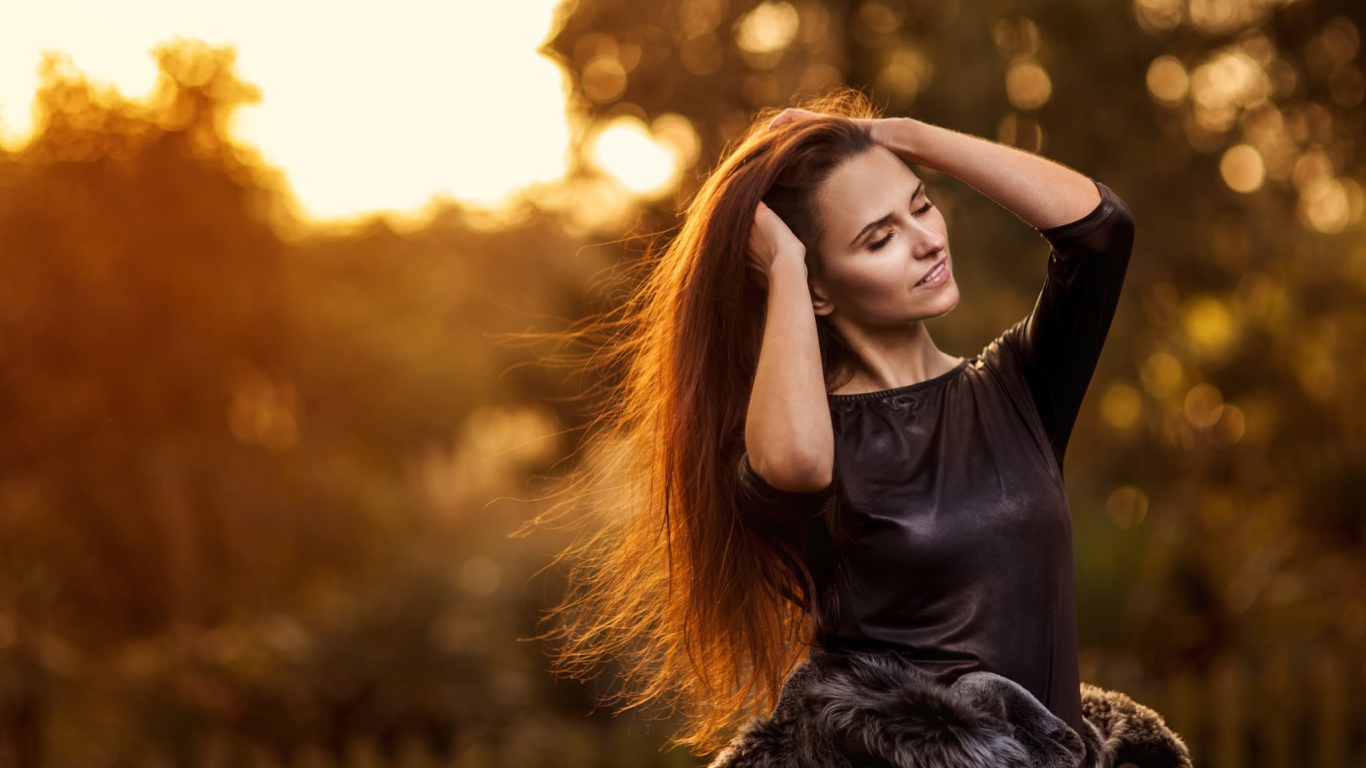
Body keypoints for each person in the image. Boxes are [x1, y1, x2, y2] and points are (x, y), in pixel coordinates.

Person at [532, 88, 1190, 768]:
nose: (927, 242)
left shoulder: (1019, 388)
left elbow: (1100, 232)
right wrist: (785, 266)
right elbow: (797, 463)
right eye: (880, 238)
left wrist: (904, 136)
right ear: (817, 290)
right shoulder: (794, 435)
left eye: (921, 206)